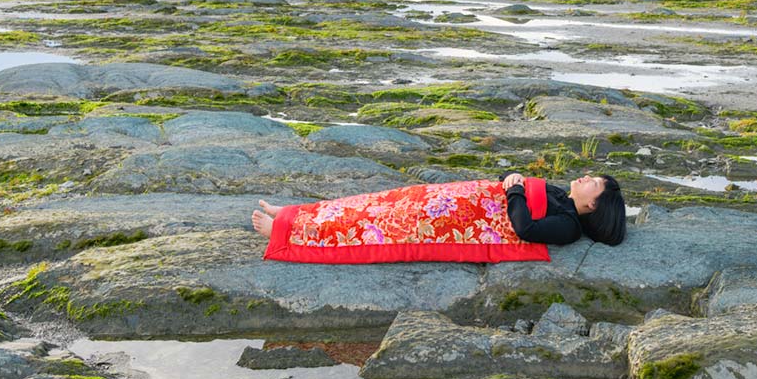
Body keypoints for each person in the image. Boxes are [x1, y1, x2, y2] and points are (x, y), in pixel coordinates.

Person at [250, 171, 626, 247]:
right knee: (373, 202)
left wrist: (513, 190)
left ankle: (286, 233)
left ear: (593, 204)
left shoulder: (569, 226)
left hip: (450, 219)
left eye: (593, 182)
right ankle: (296, 212)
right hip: (458, 196)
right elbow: (514, 188)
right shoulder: (560, 194)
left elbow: (524, 228)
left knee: (372, 224)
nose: (585, 177)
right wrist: (511, 179)